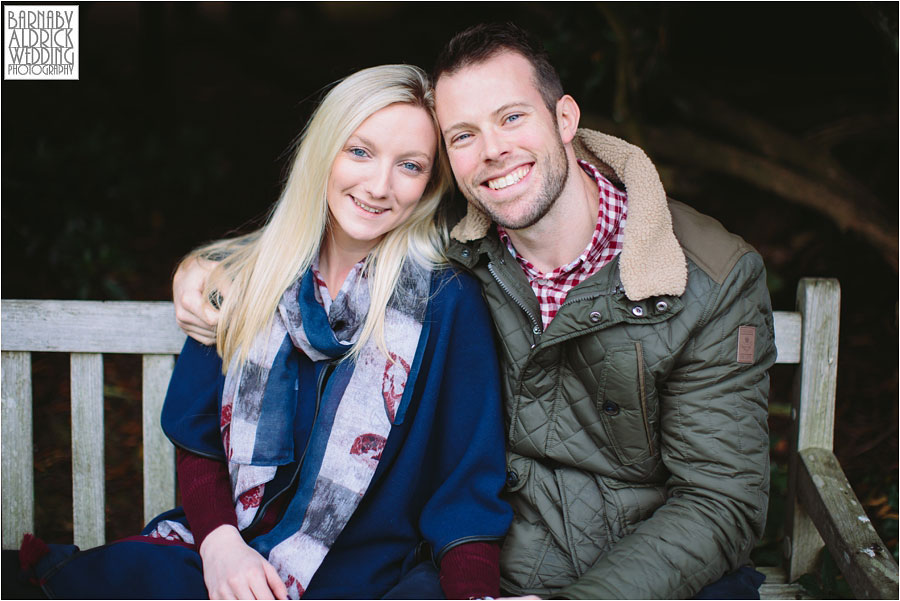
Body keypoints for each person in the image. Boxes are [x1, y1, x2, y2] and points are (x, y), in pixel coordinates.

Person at [173, 24, 777, 600]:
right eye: (463, 135)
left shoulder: (707, 278)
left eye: (512, 117)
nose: (492, 152)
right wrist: (210, 272)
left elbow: (720, 500)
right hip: (478, 565)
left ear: (565, 118)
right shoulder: (451, 252)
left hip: (644, 579)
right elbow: (338, 218)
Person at [17, 64, 513, 600]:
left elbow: (466, 487)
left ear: (431, 182)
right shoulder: (248, 277)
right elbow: (197, 433)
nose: (378, 185)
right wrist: (220, 545)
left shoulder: (446, 301)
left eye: (410, 166)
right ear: (324, 152)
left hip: (364, 579)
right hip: (226, 555)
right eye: (360, 151)